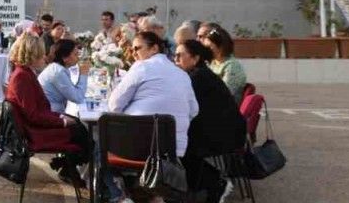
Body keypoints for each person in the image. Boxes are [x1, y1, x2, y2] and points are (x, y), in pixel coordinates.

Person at [103, 31, 198, 203]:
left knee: (98, 143)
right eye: (131, 49)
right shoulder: (182, 74)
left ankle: (117, 195)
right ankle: (145, 193)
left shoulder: (141, 67)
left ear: (154, 48)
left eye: (137, 48)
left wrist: (133, 108)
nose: (133, 53)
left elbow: (114, 105)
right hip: (171, 151)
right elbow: (194, 111)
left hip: (134, 148)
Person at [4, 34, 88, 189]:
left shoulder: (25, 73)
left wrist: (61, 118)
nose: (45, 57)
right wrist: (62, 121)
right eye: (41, 54)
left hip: (34, 124)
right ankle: (70, 169)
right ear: (31, 55)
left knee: (79, 127)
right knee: (82, 133)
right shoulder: (22, 76)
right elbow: (33, 115)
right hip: (32, 132)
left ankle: (66, 167)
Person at [176, 39, 246, 203]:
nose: (175, 59)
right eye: (175, 55)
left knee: (178, 145)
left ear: (195, 58)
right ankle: (196, 188)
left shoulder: (198, 77)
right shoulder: (198, 74)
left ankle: (215, 183)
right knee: (178, 142)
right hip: (218, 129)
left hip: (224, 134)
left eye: (180, 55)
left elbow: (182, 105)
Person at [38, 39, 89, 115]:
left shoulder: (58, 68)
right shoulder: (58, 72)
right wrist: (83, 74)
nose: (78, 58)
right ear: (65, 58)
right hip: (50, 114)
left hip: (53, 111)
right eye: (75, 54)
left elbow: (75, 93)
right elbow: (78, 98)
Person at [199, 24, 248, 103]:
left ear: (221, 47)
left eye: (209, 47)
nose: (206, 50)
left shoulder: (232, 67)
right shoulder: (212, 63)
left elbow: (224, 94)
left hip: (224, 107)